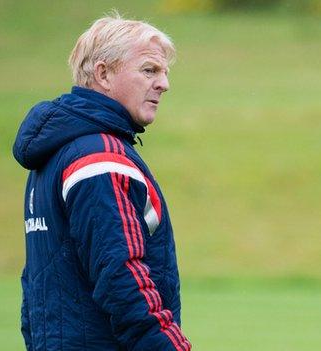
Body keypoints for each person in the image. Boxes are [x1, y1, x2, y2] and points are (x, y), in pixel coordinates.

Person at [13, 13, 191, 350]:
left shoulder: (57, 152)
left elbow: (37, 283)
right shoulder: (99, 156)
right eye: (150, 70)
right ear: (103, 74)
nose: (164, 83)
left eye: (165, 72)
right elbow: (122, 275)